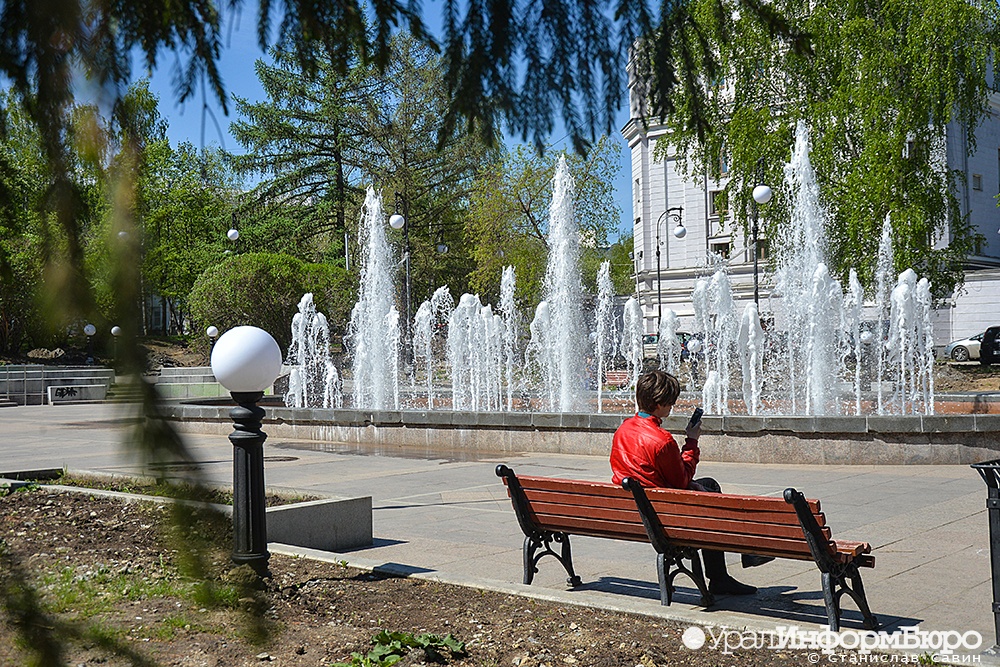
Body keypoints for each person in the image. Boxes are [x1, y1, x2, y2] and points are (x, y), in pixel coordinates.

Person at [610, 370, 767, 596]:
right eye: (670, 402)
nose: (672, 406)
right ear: (659, 403)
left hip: (637, 509)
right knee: (709, 493)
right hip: (665, 515)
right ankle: (735, 562)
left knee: (708, 486)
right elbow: (682, 480)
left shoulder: (623, 429)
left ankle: (741, 557)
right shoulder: (661, 439)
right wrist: (692, 441)